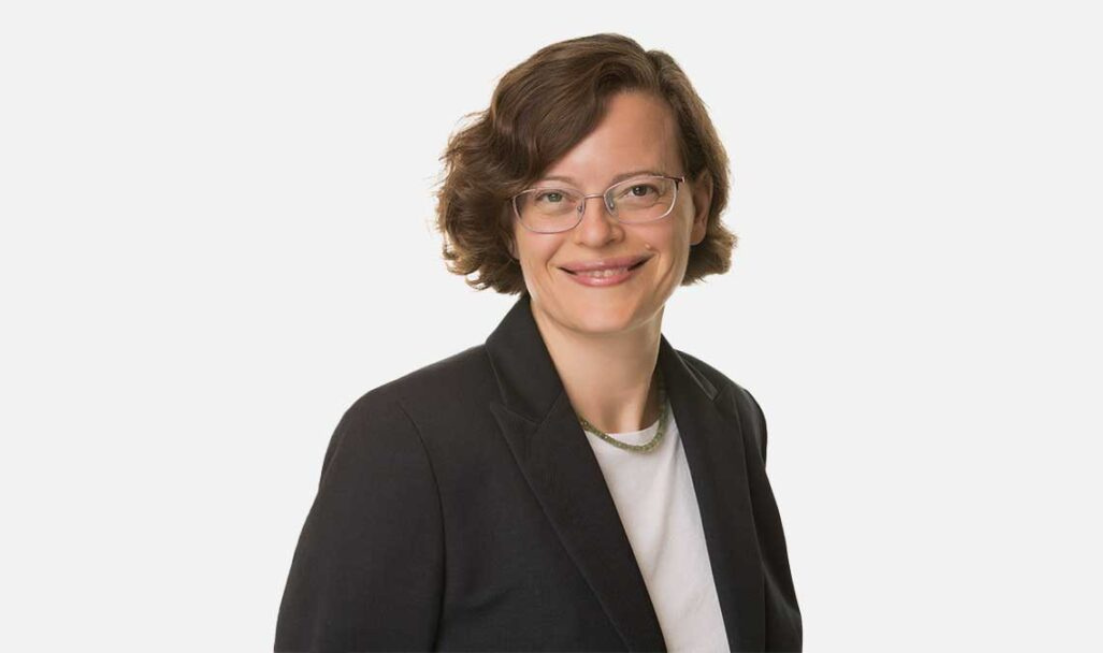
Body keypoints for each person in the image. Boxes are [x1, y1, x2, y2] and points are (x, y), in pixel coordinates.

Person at [275, 33, 801, 652]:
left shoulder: (731, 420)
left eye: (638, 190)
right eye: (554, 197)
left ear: (700, 204)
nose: (598, 231)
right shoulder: (408, 441)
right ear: (509, 222)